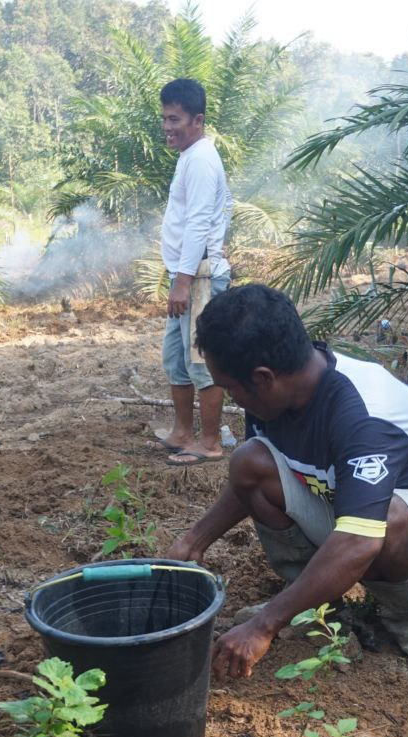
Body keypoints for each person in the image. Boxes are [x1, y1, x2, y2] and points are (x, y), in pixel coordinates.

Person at [167, 284, 408, 680]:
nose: (231, 398)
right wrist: (193, 542)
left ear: (262, 378)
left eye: (229, 388)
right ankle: (317, 605)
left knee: (386, 521)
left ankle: (404, 612)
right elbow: (252, 481)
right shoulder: (275, 393)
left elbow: (360, 539)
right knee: (250, 460)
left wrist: (263, 625)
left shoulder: (362, 412)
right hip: (349, 512)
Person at [158, 77, 233, 465]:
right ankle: (183, 432)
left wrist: (185, 281)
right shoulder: (190, 156)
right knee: (176, 358)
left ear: (198, 120)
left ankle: (210, 442)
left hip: (200, 276)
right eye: (164, 118)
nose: (167, 127)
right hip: (186, 274)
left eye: (175, 119)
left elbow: (200, 222)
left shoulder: (202, 159)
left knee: (201, 360)